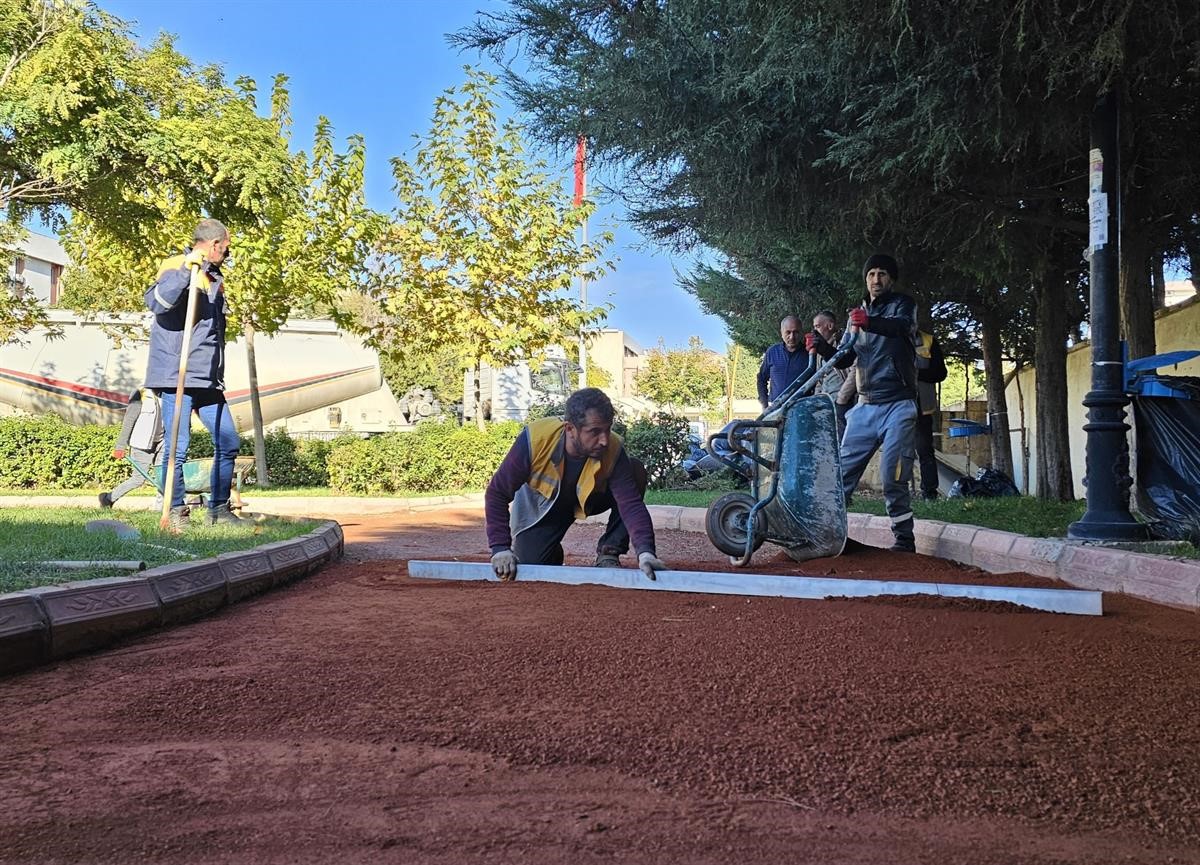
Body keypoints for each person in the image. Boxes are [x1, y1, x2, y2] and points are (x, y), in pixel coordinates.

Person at [485, 387, 668, 581]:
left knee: (635, 469)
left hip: (589, 499)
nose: (605, 440)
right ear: (570, 429)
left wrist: (646, 552)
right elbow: (497, 493)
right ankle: (550, 548)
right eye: (595, 432)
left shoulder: (613, 449)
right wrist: (500, 548)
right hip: (544, 508)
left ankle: (609, 551)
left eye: (607, 429)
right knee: (532, 566)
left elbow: (630, 504)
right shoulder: (535, 440)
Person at [813, 253, 919, 552]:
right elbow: (846, 354)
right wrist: (821, 345)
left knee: (892, 476)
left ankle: (904, 539)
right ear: (865, 279)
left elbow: (899, 328)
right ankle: (825, 534)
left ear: (891, 279)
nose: (876, 279)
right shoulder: (857, 314)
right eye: (871, 274)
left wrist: (869, 322)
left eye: (882, 274)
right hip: (864, 405)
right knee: (841, 474)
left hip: (898, 404)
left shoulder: (904, 306)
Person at [144, 218, 241, 528]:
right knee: (177, 446)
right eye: (226, 250)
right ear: (214, 245)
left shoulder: (214, 277)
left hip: (207, 378)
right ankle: (174, 511)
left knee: (228, 442)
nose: (227, 255)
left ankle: (219, 510)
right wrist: (187, 271)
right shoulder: (178, 265)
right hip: (178, 374)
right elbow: (157, 303)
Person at [99, 389, 164, 510]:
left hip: (162, 443)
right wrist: (120, 446)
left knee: (163, 477)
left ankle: (159, 510)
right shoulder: (141, 393)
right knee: (138, 479)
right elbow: (129, 420)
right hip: (141, 443)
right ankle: (108, 498)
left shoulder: (168, 394)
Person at [914, 330, 948, 500]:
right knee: (896, 450)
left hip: (922, 407)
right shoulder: (888, 337)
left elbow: (941, 373)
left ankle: (929, 493)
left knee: (924, 449)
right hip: (895, 403)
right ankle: (897, 492)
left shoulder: (928, 341)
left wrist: (915, 373)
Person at [756, 315, 808, 410]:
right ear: (781, 333)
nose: (792, 337)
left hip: (801, 409)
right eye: (788, 332)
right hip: (775, 409)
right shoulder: (772, 352)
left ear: (801, 333)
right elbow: (761, 378)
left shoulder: (809, 354)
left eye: (796, 332)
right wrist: (764, 404)